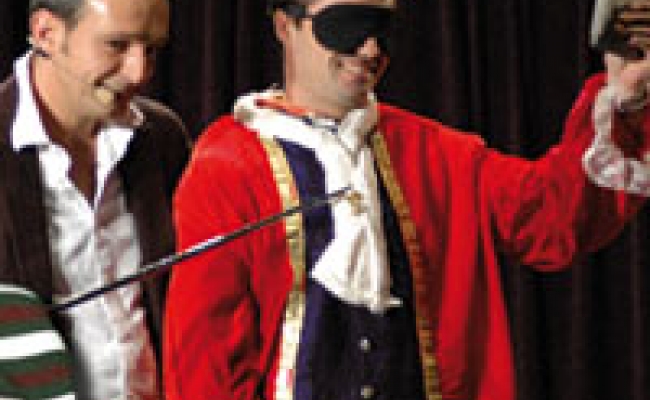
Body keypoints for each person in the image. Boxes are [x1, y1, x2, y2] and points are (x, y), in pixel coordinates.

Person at [163, 0, 650, 400]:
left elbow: (554, 217)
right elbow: (204, 363)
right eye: (348, 23)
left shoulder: (436, 154)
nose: (371, 48)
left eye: (383, 28)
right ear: (284, 26)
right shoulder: (228, 166)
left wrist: (625, 98)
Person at [0, 0, 189, 399]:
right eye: (117, 45)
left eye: (151, 49)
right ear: (46, 33)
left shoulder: (163, 139)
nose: (139, 72)